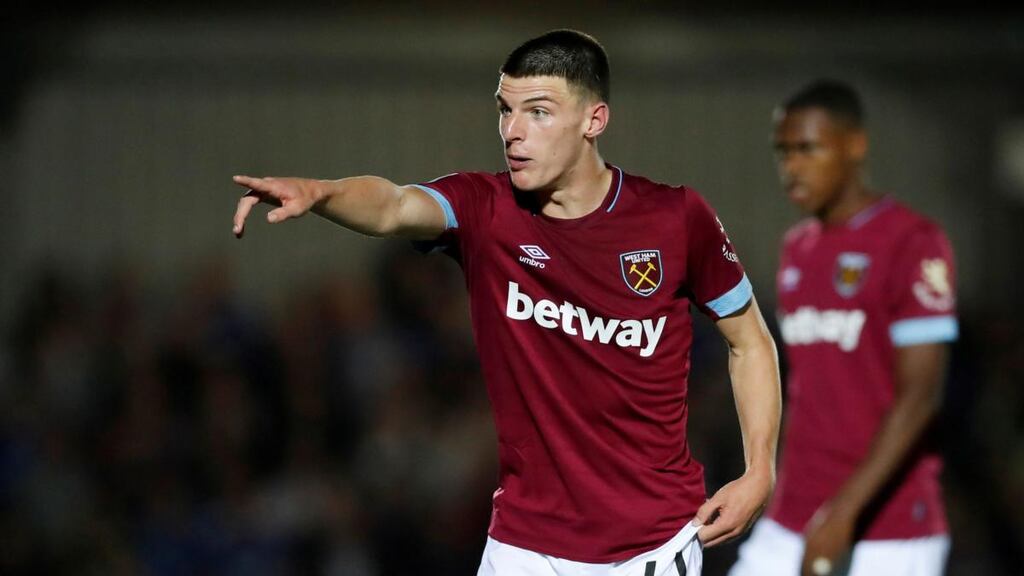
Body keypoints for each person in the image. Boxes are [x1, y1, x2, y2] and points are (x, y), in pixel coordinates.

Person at [232, 29, 781, 576]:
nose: (513, 132)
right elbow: (393, 206)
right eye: (505, 110)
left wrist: (760, 471)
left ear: (594, 120)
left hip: (651, 547)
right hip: (523, 549)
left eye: (538, 112)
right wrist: (321, 193)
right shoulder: (486, 210)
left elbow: (750, 342)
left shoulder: (675, 219)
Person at [729, 80, 958, 576]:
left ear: (854, 145)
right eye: (783, 151)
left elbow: (920, 398)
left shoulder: (913, 242)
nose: (791, 166)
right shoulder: (798, 247)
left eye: (808, 148)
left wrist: (842, 514)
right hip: (794, 514)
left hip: (889, 528)